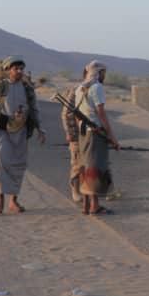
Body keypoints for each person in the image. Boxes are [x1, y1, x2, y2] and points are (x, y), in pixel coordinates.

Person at [0, 56, 46, 214]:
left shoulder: (27, 88)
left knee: (18, 165)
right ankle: (0, 200)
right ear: (8, 70)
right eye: (16, 68)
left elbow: (34, 108)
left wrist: (40, 128)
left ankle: (13, 202)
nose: (19, 71)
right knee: (0, 164)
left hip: (21, 131)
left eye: (21, 69)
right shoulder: (0, 86)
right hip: (2, 130)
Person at [74, 60, 120, 215]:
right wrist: (112, 136)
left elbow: (76, 115)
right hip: (95, 133)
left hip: (83, 133)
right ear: (98, 73)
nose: (104, 76)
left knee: (86, 166)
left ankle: (86, 206)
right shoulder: (97, 87)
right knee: (95, 167)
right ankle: (95, 206)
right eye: (103, 73)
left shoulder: (80, 88)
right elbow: (101, 114)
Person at [60, 81, 83, 203]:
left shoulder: (95, 88)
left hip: (90, 133)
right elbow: (66, 113)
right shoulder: (78, 90)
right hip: (77, 134)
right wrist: (71, 133)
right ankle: (76, 190)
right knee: (77, 164)